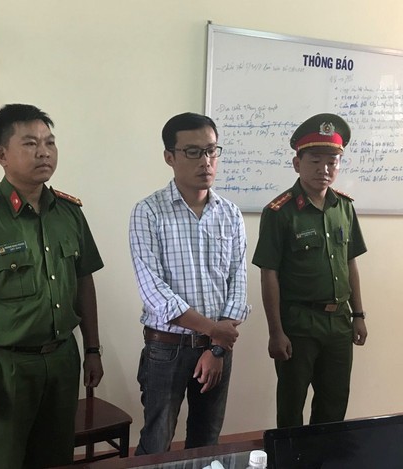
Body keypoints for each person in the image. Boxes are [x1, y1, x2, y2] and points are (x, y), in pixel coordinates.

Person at [0, 104, 104, 469]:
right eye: (30, 143)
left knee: (57, 458)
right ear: (2, 155)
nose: (44, 152)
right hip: (6, 367)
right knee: (6, 461)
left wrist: (92, 348)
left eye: (49, 142)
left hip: (62, 359)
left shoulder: (69, 212)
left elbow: (83, 280)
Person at [129, 112, 251, 454]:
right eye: (193, 152)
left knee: (206, 439)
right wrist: (215, 331)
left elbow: (238, 284)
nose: (206, 161)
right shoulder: (148, 211)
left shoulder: (230, 214)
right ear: (169, 157)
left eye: (212, 150)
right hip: (167, 349)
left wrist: (216, 347)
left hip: (217, 348)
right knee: (157, 441)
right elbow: (155, 293)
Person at [252, 113, 368, 428]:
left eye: (332, 162)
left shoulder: (344, 207)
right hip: (299, 324)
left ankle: (324, 455)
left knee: (334, 406)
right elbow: (269, 273)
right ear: (297, 163)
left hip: (339, 323)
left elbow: (350, 262)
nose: (324, 169)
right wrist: (275, 332)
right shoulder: (279, 212)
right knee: (291, 407)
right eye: (315, 161)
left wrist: (358, 314)